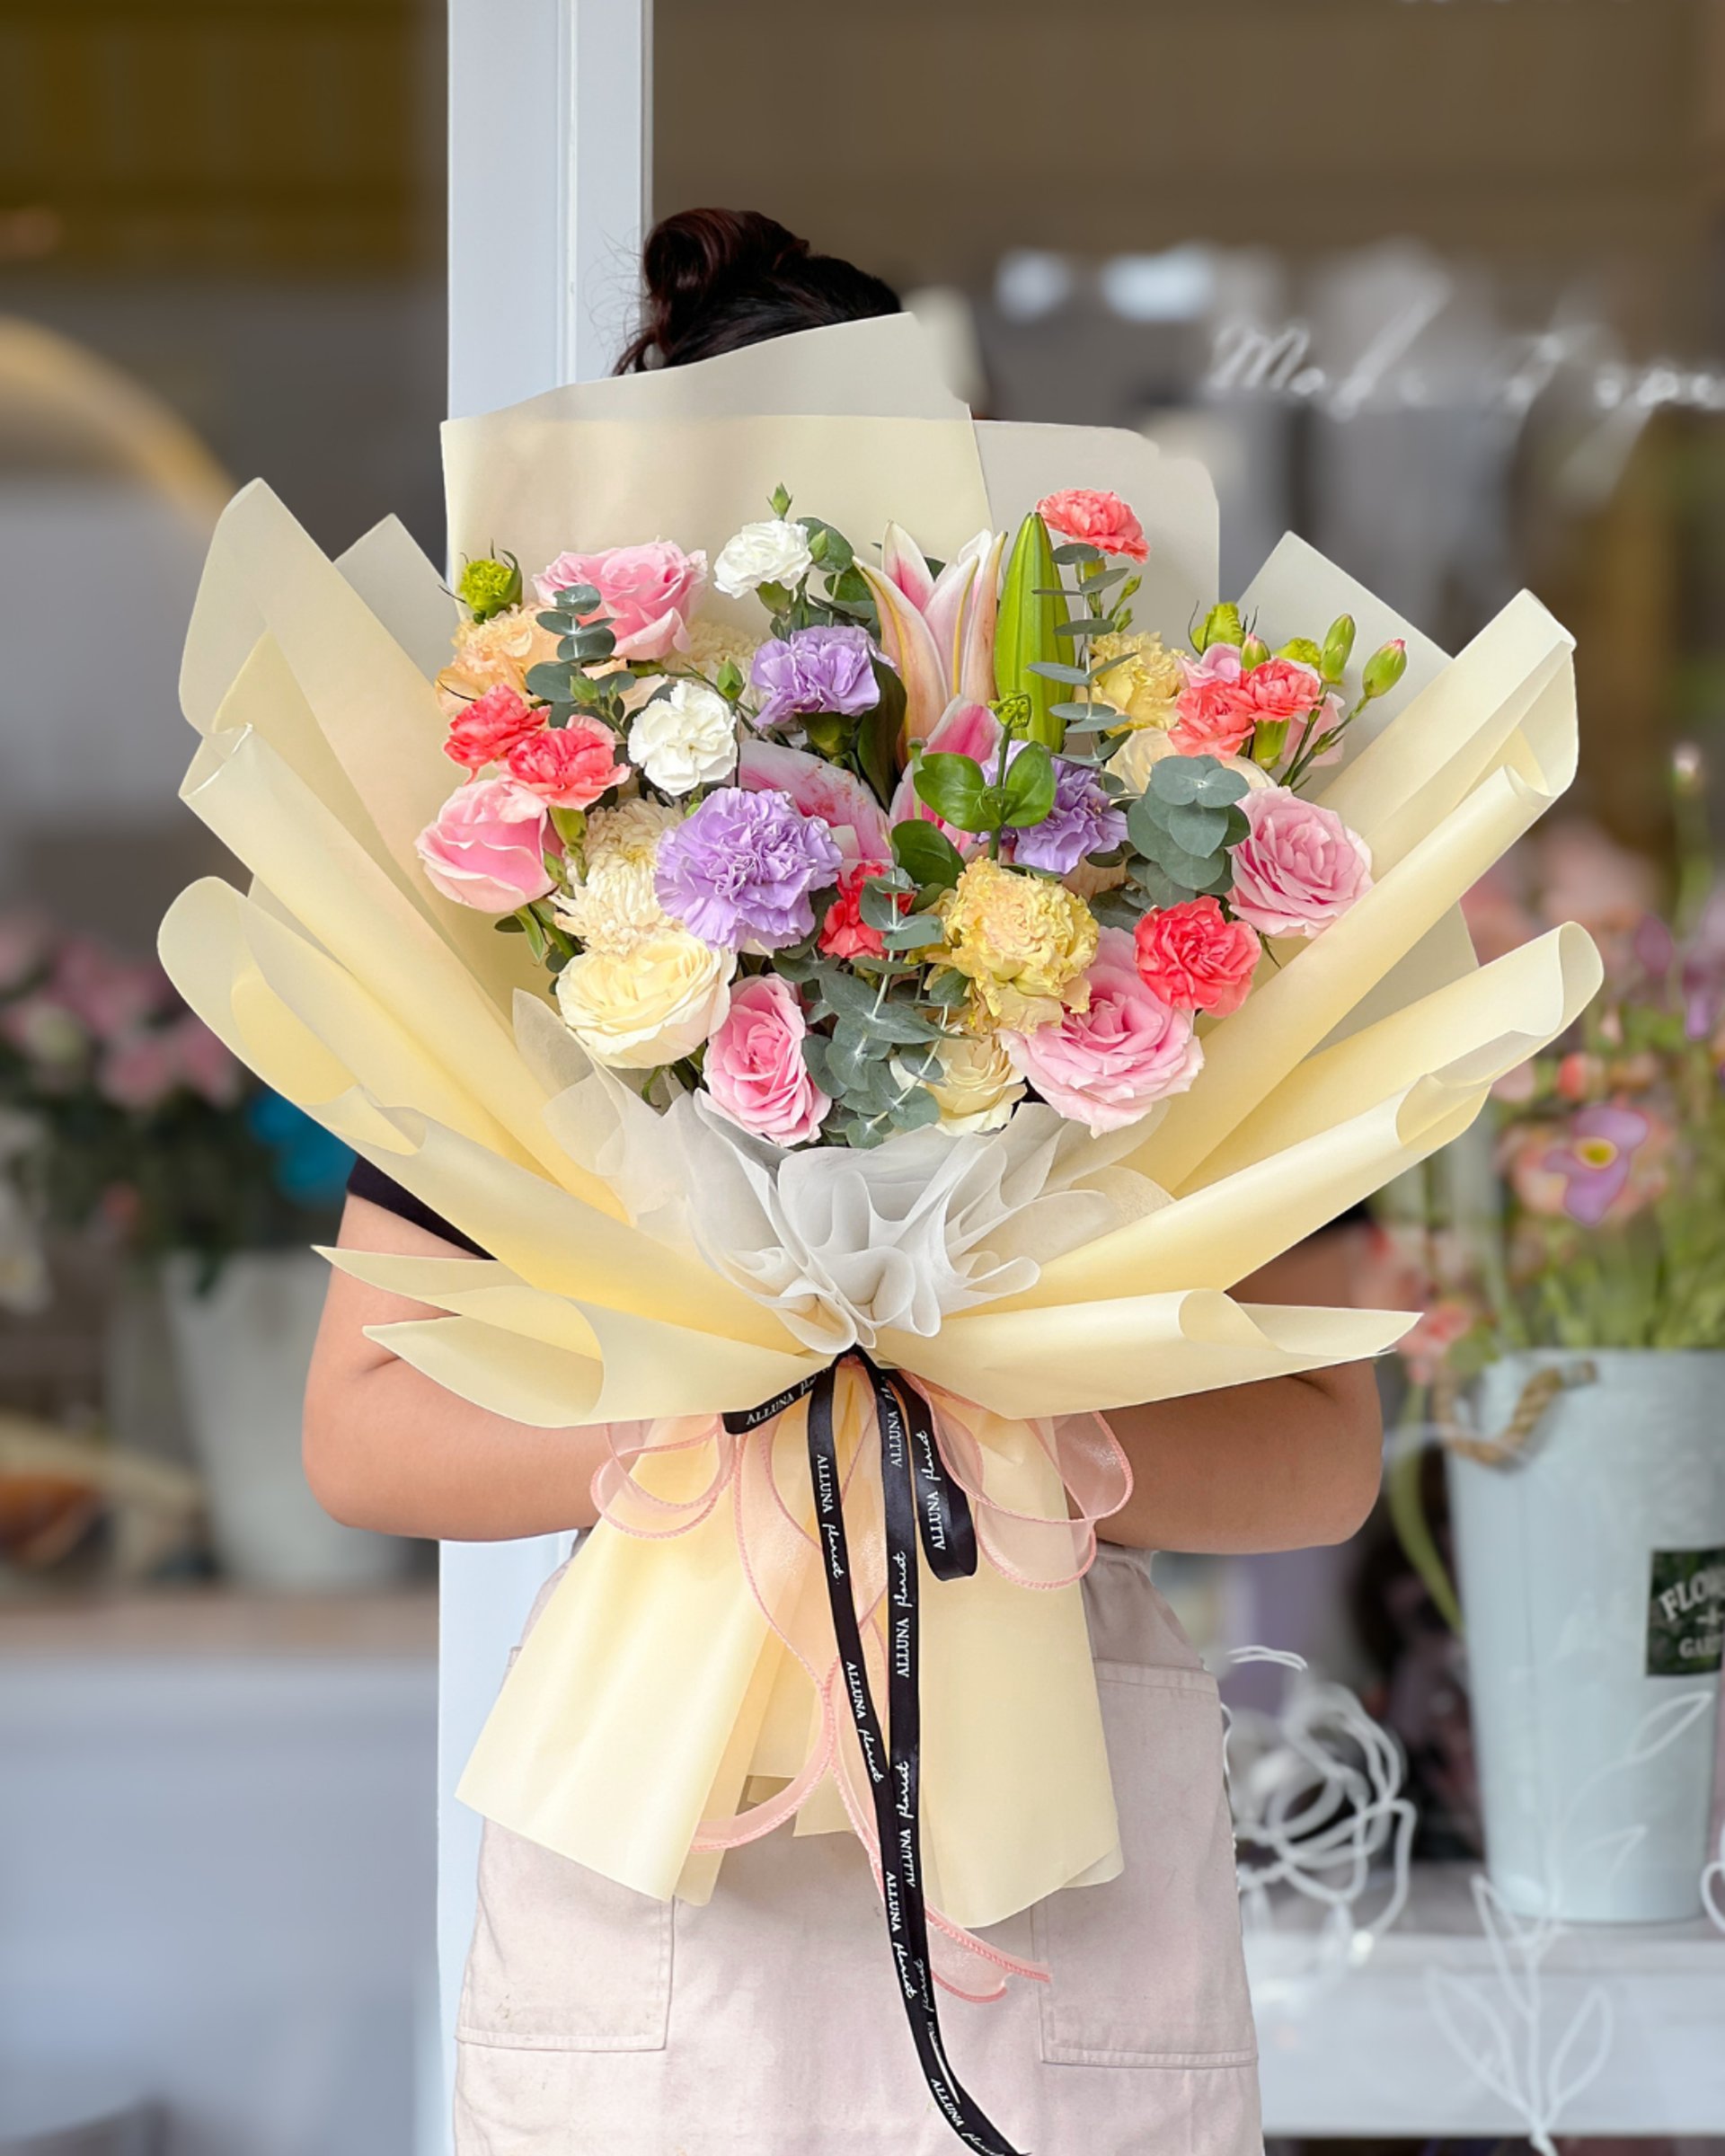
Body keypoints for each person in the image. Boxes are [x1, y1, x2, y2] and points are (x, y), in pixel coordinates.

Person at [305, 208, 1383, 2156]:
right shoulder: (551, 936)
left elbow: (1321, 1448)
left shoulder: (1146, 901)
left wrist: (1002, 1414)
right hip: (664, 1829)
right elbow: (362, 1433)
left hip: (1065, 1860)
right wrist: (745, 1410)